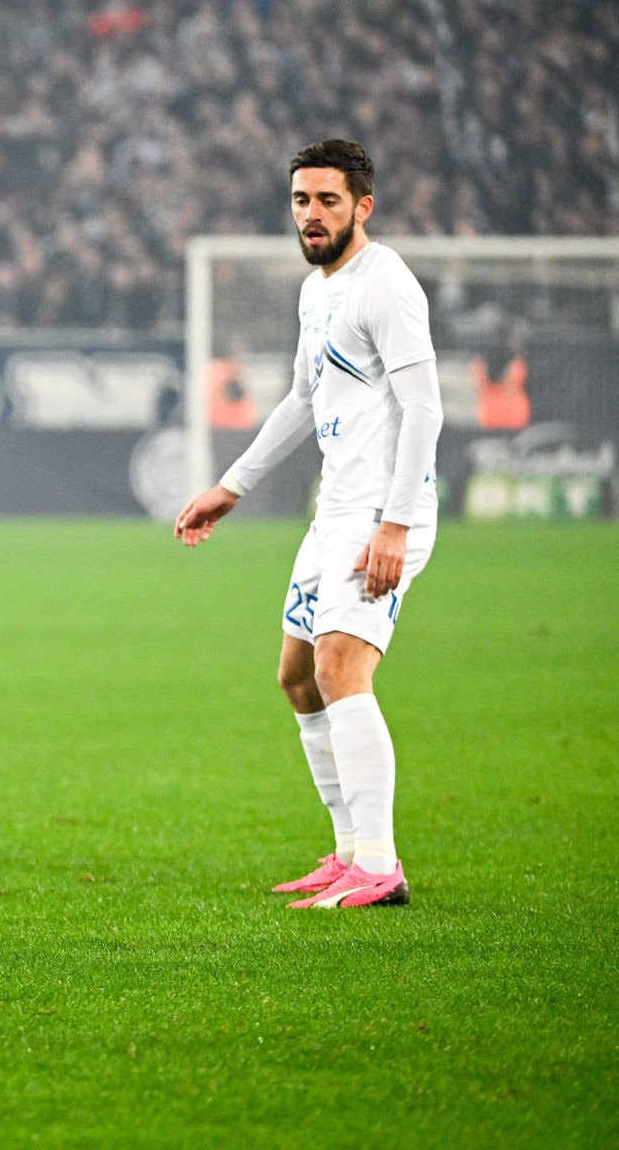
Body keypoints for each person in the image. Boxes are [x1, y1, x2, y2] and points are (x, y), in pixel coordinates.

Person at [176, 140, 443, 909]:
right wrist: (231, 486)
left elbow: (424, 409)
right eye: (302, 200)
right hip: (335, 512)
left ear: (363, 206)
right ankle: (350, 850)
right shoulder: (314, 290)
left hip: (382, 513)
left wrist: (394, 525)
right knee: (298, 677)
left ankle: (381, 866)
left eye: (328, 200)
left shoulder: (385, 284)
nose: (312, 214)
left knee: (339, 668)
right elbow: (301, 399)